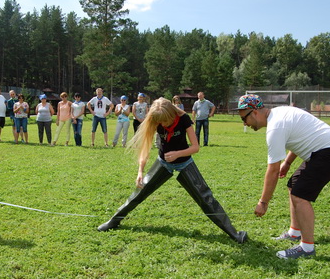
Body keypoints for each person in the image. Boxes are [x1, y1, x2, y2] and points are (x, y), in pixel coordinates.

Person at [98, 98, 247, 243]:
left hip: (184, 162)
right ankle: (113, 221)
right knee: (139, 193)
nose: (162, 124)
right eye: (159, 122)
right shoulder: (155, 119)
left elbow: (195, 147)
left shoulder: (184, 119)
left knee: (206, 198)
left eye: (164, 121)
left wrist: (177, 154)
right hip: (163, 163)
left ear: (171, 115)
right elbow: (145, 148)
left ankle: (235, 234)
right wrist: (140, 172)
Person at [237, 94, 330, 259]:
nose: (244, 123)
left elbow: (273, 171)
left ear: (254, 112)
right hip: (329, 150)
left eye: (244, 119)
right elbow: (300, 136)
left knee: (300, 195)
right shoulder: (280, 112)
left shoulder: (275, 127)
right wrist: (288, 162)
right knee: (294, 185)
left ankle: (307, 248)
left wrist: (263, 202)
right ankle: (294, 232)